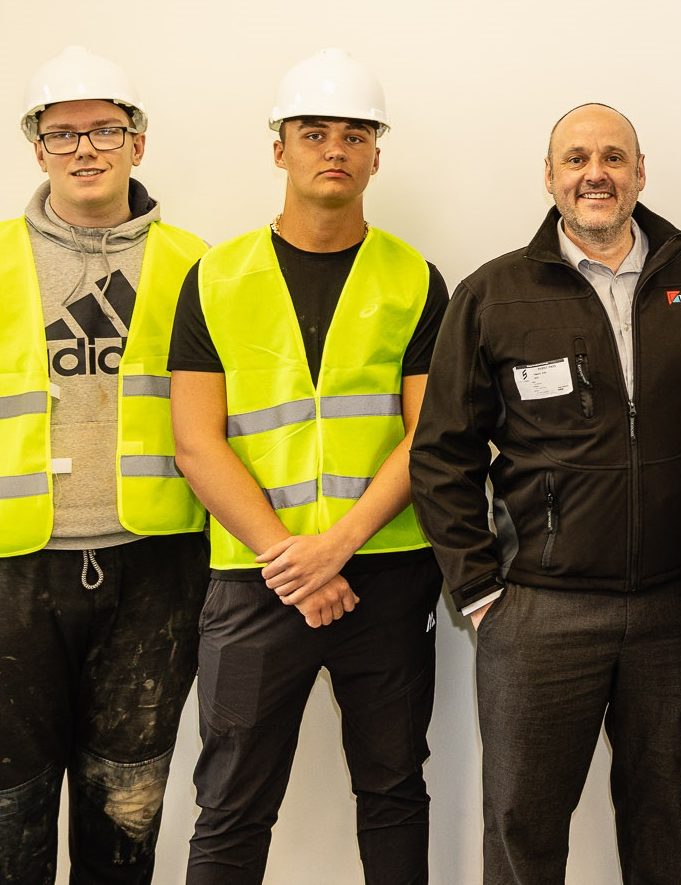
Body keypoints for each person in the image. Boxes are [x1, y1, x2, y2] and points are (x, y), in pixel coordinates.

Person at [408, 101, 681, 884]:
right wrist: (476, 590)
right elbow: (441, 453)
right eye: (576, 159)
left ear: (641, 173)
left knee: (660, 817)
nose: (595, 173)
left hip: (676, 605)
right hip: (540, 610)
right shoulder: (494, 294)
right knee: (522, 827)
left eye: (613, 157)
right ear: (549, 177)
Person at [169, 49, 448, 884]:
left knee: (394, 791)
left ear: (375, 154)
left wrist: (338, 546)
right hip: (256, 578)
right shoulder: (215, 277)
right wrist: (293, 559)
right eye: (314, 131)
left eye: (354, 134)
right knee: (231, 805)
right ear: (280, 147)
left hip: (387, 574)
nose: (335, 147)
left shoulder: (415, 280)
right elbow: (195, 441)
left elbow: (425, 437)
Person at [0, 46, 209, 885]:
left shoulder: (200, 264)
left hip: (154, 563)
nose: (85, 149)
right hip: (14, 567)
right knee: (11, 802)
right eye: (64, 134)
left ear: (138, 143)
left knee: (128, 797)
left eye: (105, 131)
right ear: (37, 146)